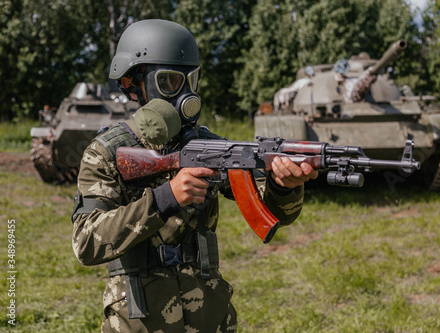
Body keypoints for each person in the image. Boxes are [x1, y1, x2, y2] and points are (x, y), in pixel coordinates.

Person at [71, 19, 318, 332]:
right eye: (171, 82)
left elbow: (274, 213)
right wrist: (165, 198)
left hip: (209, 316)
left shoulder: (209, 145)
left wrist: (284, 186)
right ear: (132, 83)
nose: (186, 96)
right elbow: (86, 243)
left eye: (192, 81)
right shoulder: (107, 152)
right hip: (140, 319)